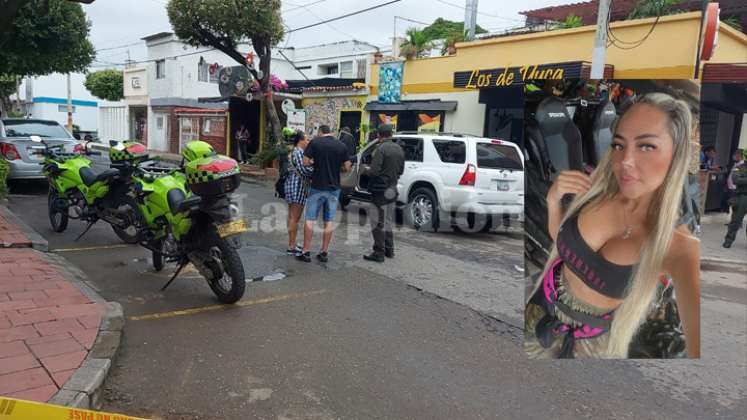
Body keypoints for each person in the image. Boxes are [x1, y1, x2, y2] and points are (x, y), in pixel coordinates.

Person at [524, 92, 700, 359]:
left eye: (646, 146)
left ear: (676, 155)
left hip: (593, 349)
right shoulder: (597, 190)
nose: (626, 161)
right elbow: (564, 249)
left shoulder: (678, 245)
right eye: (619, 145)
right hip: (539, 310)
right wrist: (552, 202)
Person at [297, 125, 352, 263]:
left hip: (317, 186)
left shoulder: (315, 142)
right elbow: (347, 167)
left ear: (320, 132)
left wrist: (314, 162)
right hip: (334, 188)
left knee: (310, 219)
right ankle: (324, 252)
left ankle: (306, 251)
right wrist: (336, 166)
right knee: (329, 220)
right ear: (330, 132)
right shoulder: (341, 145)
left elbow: (304, 162)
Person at [362, 124, 405, 263]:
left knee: (377, 222)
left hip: (380, 190)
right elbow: (401, 170)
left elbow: (374, 171)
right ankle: (389, 250)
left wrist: (365, 170)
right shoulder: (399, 148)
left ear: (380, 135)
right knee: (387, 221)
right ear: (390, 134)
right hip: (393, 188)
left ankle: (378, 252)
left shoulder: (380, 149)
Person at [284, 131, 314, 255]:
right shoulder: (299, 152)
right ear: (301, 141)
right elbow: (304, 170)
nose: (308, 142)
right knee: (294, 218)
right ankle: (291, 246)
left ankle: (291, 243)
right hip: (297, 187)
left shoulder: (294, 151)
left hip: (292, 186)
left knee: (292, 217)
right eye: (307, 139)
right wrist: (315, 168)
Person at [723, 149, 747, 248]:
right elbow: (735, 180)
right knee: (736, 221)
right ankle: (728, 240)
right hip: (743, 197)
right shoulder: (740, 167)